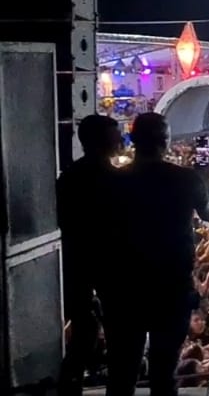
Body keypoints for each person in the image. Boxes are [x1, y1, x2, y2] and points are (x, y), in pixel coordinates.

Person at [105, 113, 209, 396]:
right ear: (166, 142)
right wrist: (207, 177)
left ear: (133, 140)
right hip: (171, 287)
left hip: (124, 287)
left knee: (122, 371)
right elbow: (208, 213)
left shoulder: (114, 181)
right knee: (164, 372)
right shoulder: (185, 179)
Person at [57, 115, 122, 395]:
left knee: (86, 330)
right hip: (104, 264)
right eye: (114, 135)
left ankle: (68, 383)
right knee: (117, 334)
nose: (120, 141)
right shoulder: (112, 180)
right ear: (100, 141)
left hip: (76, 264)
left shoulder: (69, 177)